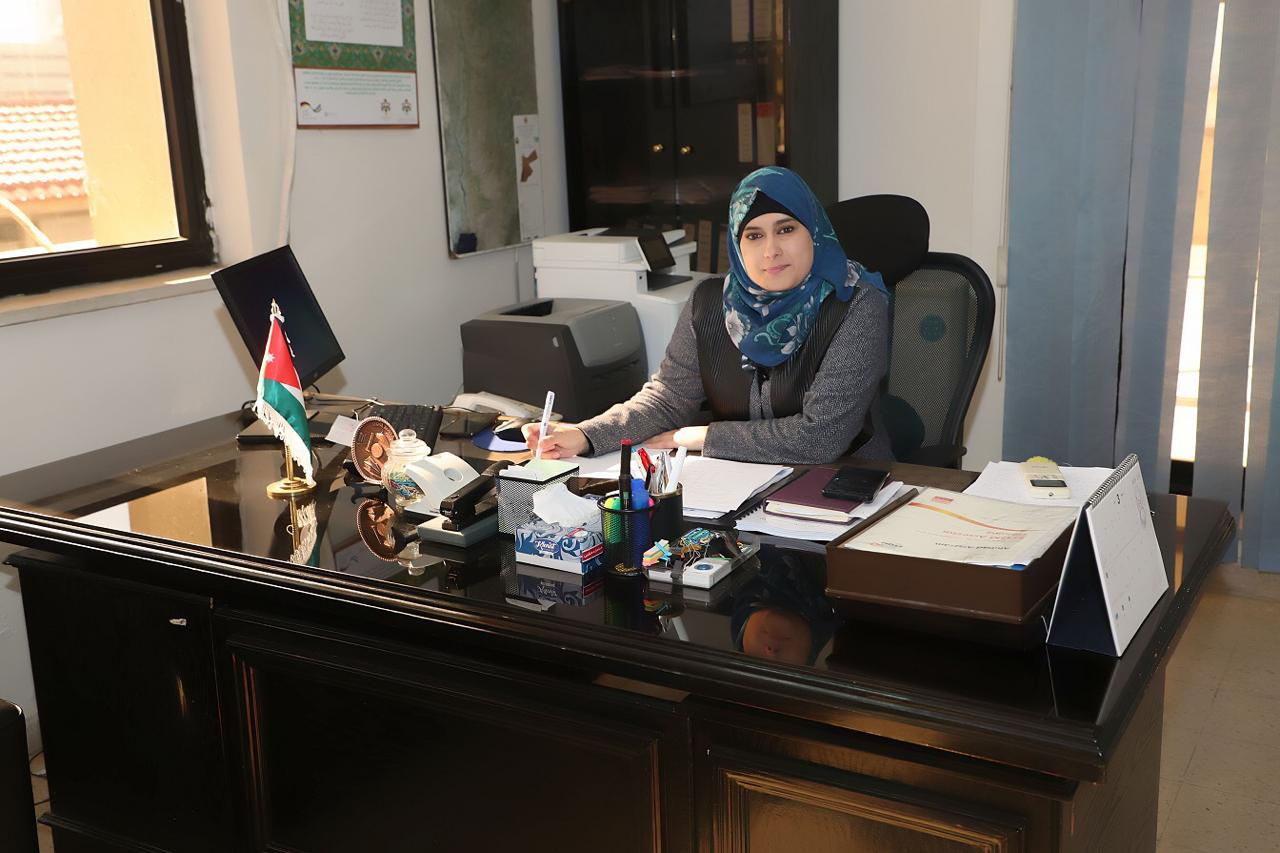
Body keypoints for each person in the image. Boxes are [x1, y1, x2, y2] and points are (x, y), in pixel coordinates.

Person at [523, 166, 893, 465]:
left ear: (813, 231)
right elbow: (668, 399)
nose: (771, 251)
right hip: (739, 485)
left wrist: (705, 436)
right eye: (753, 235)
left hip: (844, 484)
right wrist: (585, 435)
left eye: (786, 229)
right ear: (737, 244)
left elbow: (821, 436)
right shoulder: (711, 302)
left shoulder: (856, 305)